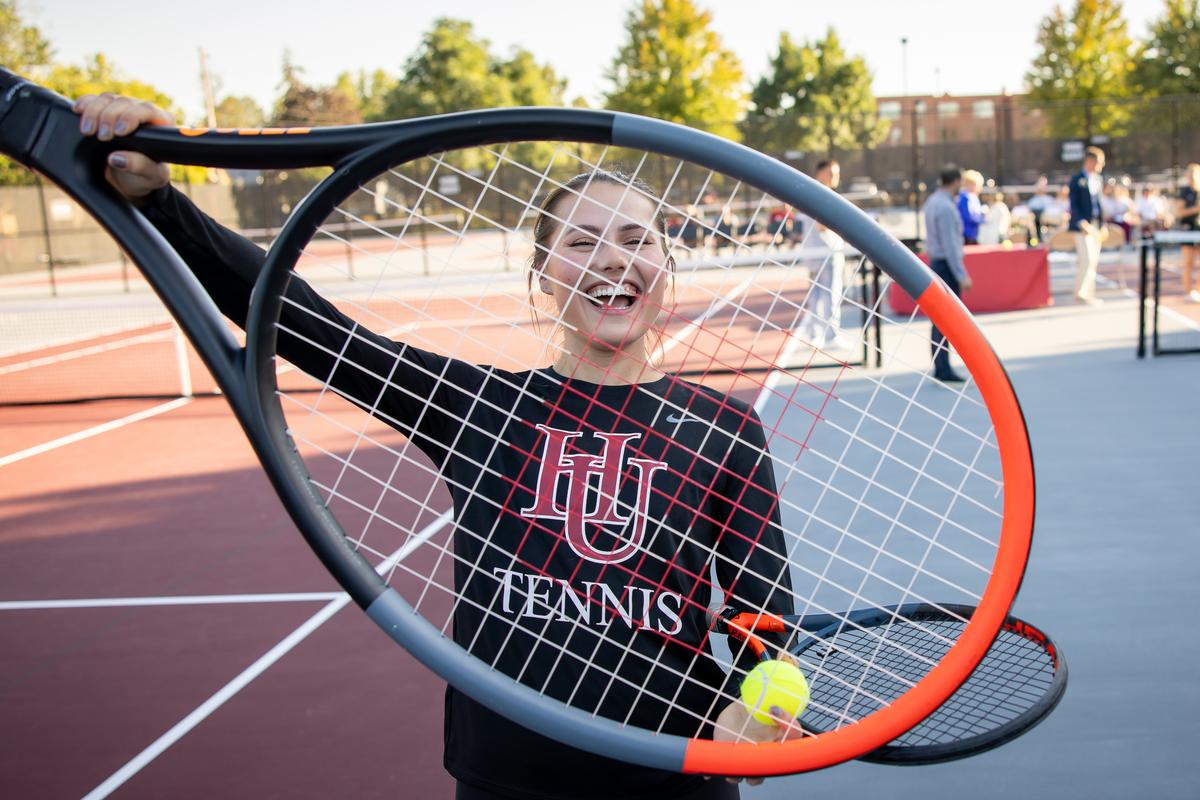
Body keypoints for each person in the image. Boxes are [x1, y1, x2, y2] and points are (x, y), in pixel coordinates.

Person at [77, 95, 798, 800]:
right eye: (581, 242)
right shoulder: (480, 407)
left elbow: (764, 615)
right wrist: (162, 200)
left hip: (671, 770)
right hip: (506, 770)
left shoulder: (725, 427)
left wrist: (759, 708)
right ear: (543, 277)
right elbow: (310, 327)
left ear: (666, 269)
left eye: (637, 240)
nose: (614, 259)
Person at [921, 167, 974, 383]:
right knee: (947, 319)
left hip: (937, 263)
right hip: (945, 266)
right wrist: (961, 274)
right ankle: (943, 366)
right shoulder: (944, 207)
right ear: (955, 182)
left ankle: (941, 364)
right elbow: (950, 244)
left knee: (939, 319)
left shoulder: (933, 202)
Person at [796, 159, 848, 350]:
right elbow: (821, 225)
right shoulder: (822, 195)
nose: (836, 177)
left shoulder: (808, 193)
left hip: (813, 252)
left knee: (816, 297)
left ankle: (815, 336)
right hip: (826, 251)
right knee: (829, 295)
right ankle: (830, 336)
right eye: (832, 173)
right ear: (822, 173)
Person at [1068, 146, 1105, 304]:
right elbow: (1074, 204)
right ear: (1090, 161)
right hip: (1082, 225)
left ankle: (1089, 292)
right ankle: (1081, 292)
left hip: (1096, 224)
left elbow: (1099, 203)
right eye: (1098, 163)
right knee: (1087, 259)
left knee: (1094, 260)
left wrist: (1102, 225)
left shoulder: (1097, 179)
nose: (1100, 166)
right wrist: (1081, 222)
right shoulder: (1077, 179)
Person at [1176, 162, 1200, 302]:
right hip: (1187, 229)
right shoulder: (1185, 191)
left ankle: (1198, 290)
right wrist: (1195, 209)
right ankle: (1188, 291)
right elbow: (1179, 212)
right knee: (1188, 262)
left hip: (1199, 229)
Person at [956, 170, 986, 245]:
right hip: (966, 235)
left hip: (972, 234)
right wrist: (983, 219)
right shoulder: (965, 198)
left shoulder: (972, 197)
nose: (979, 187)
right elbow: (967, 217)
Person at [1025, 175, 1052, 246]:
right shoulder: (1032, 201)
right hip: (1036, 227)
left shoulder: (1050, 200)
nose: (1041, 189)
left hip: (1048, 226)